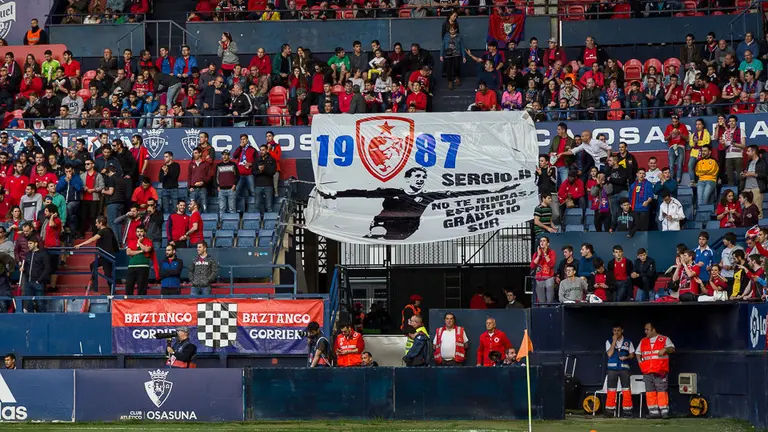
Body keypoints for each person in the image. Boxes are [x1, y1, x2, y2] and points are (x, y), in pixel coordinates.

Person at [636, 322, 675, 419]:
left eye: (647, 329)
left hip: (660, 371)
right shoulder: (643, 341)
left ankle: (664, 412)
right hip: (647, 371)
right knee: (650, 392)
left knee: (661, 391)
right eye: (645, 329)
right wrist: (640, 362)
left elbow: (672, 349)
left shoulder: (664, 339)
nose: (645, 331)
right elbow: (638, 353)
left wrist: (665, 349)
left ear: (653, 330)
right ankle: (653, 413)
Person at [74, 216, 117, 293]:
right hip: (106, 256)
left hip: (107, 256)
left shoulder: (103, 231)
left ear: (101, 223)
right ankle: (94, 283)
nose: (95, 224)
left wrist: (80, 244)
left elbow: (92, 239)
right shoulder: (109, 230)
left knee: (108, 275)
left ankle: (112, 291)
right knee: (93, 265)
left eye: (97, 223)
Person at [604, 324, 635, 418]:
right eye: (614, 330)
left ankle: (627, 412)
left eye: (618, 330)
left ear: (622, 331)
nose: (616, 332)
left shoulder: (628, 342)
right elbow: (609, 354)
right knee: (611, 390)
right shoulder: (609, 341)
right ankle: (609, 411)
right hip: (612, 369)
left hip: (624, 369)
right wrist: (614, 341)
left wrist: (626, 357)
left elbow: (632, 355)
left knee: (626, 390)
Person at [21, 236, 50, 313]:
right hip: (28, 282)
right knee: (29, 304)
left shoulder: (43, 254)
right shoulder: (28, 254)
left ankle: (43, 321)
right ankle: (31, 321)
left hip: (38, 282)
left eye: (30, 243)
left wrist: (39, 280)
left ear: (36, 243)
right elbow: (27, 267)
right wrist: (23, 270)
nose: (28, 245)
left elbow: (47, 268)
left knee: (40, 303)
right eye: (28, 243)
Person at [125, 225, 154, 296]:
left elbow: (146, 249)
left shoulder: (148, 241)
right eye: (138, 231)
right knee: (128, 288)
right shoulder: (131, 241)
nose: (139, 233)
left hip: (143, 267)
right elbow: (128, 252)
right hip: (131, 266)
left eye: (141, 231)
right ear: (135, 233)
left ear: (144, 232)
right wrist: (141, 251)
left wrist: (139, 242)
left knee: (142, 289)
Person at [531, 236, 556, 304]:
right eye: (541, 241)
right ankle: (543, 307)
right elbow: (532, 266)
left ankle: (549, 306)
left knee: (550, 288)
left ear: (548, 244)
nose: (542, 242)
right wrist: (539, 256)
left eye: (544, 241)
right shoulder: (536, 253)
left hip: (549, 277)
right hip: (539, 278)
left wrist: (545, 254)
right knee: (541, 301)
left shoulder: (552, 252)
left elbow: (551, 264)